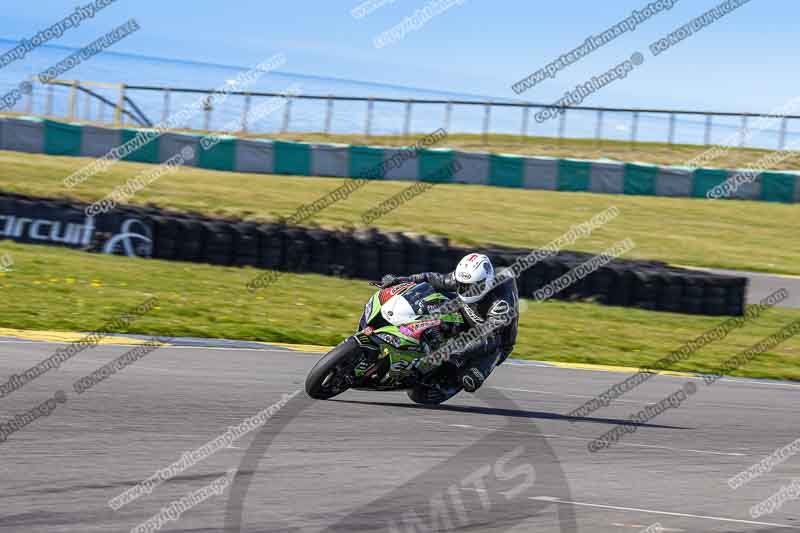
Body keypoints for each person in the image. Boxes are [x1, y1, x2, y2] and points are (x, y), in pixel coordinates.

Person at [379, 253, 518, 403]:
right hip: (466, 311)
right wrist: (405, 280)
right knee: (432, 298)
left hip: (494, 342)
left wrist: (455, 352)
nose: (466, 290)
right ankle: (412, 336)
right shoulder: (466, 279)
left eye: (472, 287)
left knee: (470, 379)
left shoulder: (501, 304)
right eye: (462, 286)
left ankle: (450, 374)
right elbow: (433, 279)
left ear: (487, 282)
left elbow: (487, 338)